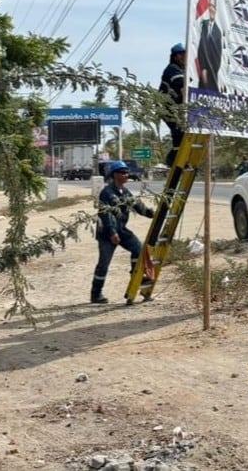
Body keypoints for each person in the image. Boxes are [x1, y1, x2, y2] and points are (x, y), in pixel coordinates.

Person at [92, 160, 155, 304]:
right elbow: (105, 214)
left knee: (138, 249)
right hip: (107, 233)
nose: (126, 175)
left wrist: (153, 214)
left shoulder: (125, 192)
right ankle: (96, 294)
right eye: (122, 172)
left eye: (127, 172)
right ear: (114, 175)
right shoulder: (107, 192)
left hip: (121, 230)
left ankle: (136, 276)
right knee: (104, 264)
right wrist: (112, 232)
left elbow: (138, 206)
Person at [160, 42, 187, 167]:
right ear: (176, 56)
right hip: (167, 108)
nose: (184, 57)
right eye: (182, 55)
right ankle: (174, 161)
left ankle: (179, 160)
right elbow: (180, 83)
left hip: (176, 108)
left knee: (182, 134)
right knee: (178, 133)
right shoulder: (172, 69)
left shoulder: (182, 69)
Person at [197, 0, 223, 92]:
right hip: (202, 73)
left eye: (213, 6)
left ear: (216, 9)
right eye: (210, 6)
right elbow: (200, 47)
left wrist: (209, 70)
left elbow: (218, 56)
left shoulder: (218, 32)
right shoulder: (203, 25)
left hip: (212, 75)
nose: (211, 9)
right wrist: (203, 68)